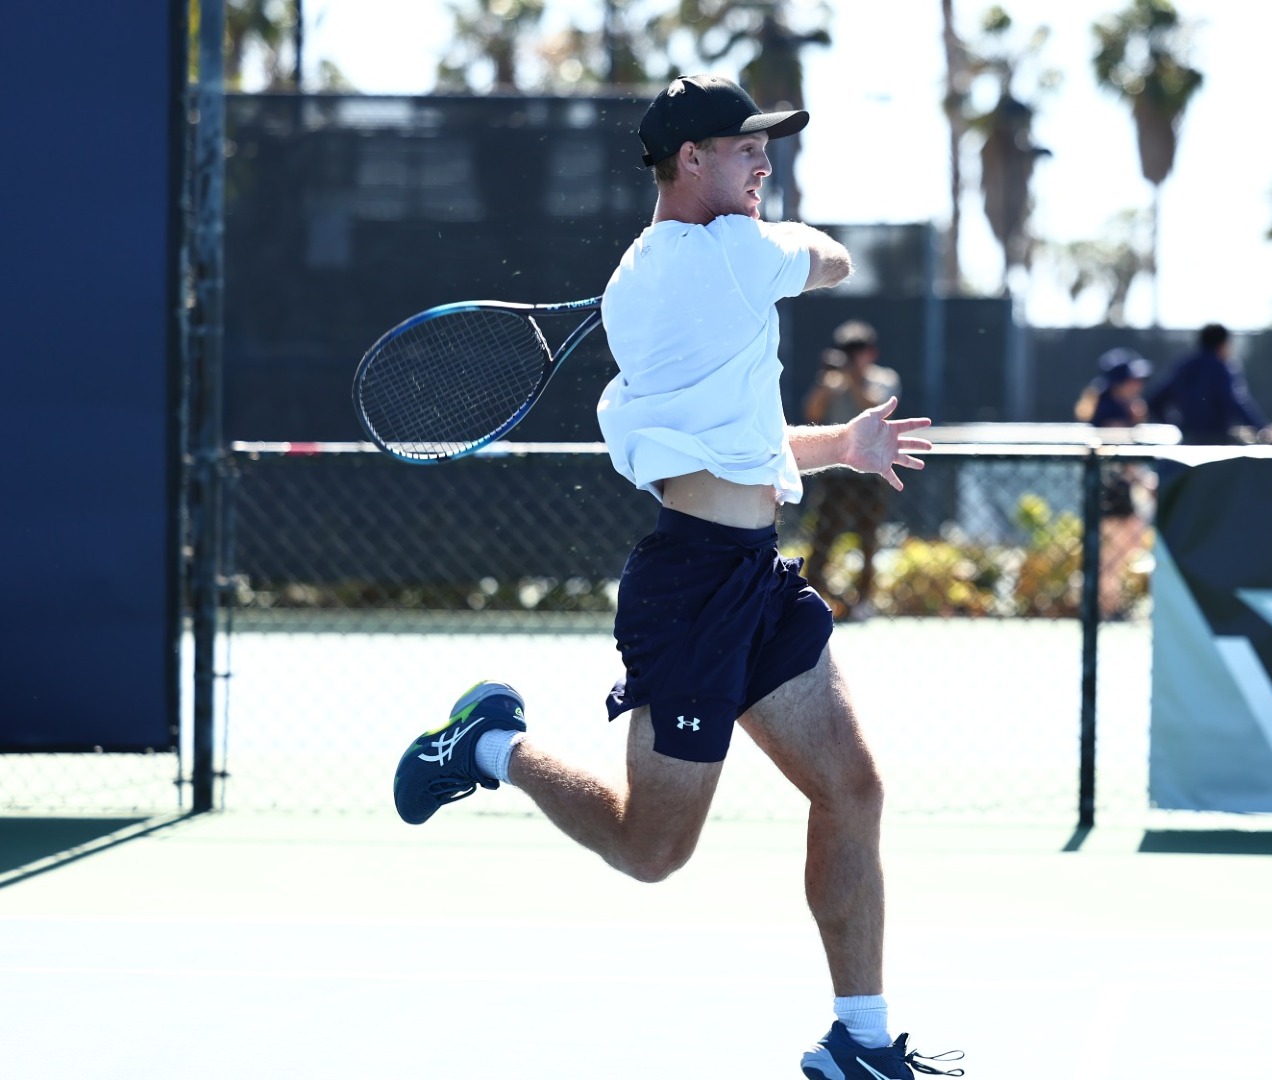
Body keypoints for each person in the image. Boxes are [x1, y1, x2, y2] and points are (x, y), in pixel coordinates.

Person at [388, 75, 960, 1080]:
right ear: (690, 160)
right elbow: (833, 257)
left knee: (852, 789)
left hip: (754, 575)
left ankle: (860, 1043)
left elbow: (735, 448)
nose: (764, 165)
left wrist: (844, 444)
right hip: (692, 591)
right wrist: (796, 240)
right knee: (652, 851)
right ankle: (493, 745)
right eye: (747, 151)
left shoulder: (637, 283)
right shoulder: (736, 253)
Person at [802, 320, 900, 621]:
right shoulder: (832, 381)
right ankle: (810, 596)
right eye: (846, 350)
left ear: (870, 352)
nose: (851, 356)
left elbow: (877, 407)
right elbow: (813, 413)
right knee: (823, 537)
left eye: (856, 350)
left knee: (868, 539)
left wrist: (854, 380)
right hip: (837, 476)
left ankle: (864, 602)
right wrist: (826, 382)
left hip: (870, 476)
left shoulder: (884, 379)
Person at [1076, 347, 1153, 617]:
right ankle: (1103, 603)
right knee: (1113, 552)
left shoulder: (1121, 408)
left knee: (1123, 546)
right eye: (1132, 379)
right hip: (1109, 488)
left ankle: (1105, 601)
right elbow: (1122, 458)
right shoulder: (1109, 410)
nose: (1138, 385)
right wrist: (1145, 481)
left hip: (1111, 486)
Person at [1145, 323, 1271, 444]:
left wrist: (1175, 424)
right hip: (1217, 445)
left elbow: (1155, 402)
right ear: (1223, 344)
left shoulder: (1184, 366)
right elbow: (1236, 401)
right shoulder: (1222, 368)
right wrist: (1263, 429)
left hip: (1187, 444)